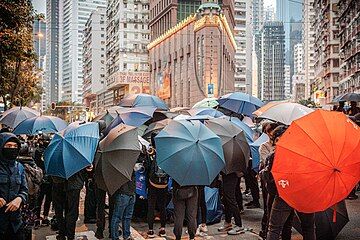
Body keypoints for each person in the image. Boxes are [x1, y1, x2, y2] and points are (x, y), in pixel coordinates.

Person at [263, 126, 316, 240]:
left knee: (274, 228)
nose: (276, 143)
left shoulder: (275, 156)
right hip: (305, 194)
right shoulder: (306, 153)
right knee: (308, 228)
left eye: (277, 140)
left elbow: (270, 179)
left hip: (284, 194)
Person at [0, 133, 28, 240]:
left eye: (15, 147)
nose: (12, 149)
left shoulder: (19, 167)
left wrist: (20, 198)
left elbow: (24, 190)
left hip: (16, 222)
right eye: (8, 146)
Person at [52, 169, 86, 240]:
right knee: (72, 210)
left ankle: (62, 233)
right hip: (74, 182)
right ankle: (70, 234)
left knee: (60, 209)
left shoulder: (56, 158)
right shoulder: (78, 157)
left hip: (59, 181)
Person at [146, 133, 169, 238]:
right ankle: (163, 229)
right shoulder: (166, 152)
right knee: (162, 206)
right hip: (163, 185)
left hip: (152, 184)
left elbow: (146, 168)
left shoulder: (150, 153)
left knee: (151, 206)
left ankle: (150, 230)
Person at [259, 122, 278, 238]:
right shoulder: (264, 146)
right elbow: (267, 162)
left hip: (281, 183)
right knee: (268, 208)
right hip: (269, 182)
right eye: (269, 132)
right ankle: (264, 231)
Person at [110, 172, 136, 240]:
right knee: (117, 217)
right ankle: (115, 237)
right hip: (123, 194)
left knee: (128, 217)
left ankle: (126, 235)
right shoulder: (119, 167)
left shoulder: (130, 166)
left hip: (132, 193)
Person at [34, 135, 52, 226]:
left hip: (41, 178)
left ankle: (40, 217)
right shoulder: (48, 150)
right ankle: (41, 217)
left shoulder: (37, 150)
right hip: (45, 178)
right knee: (44, 199)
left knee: (42, 199)